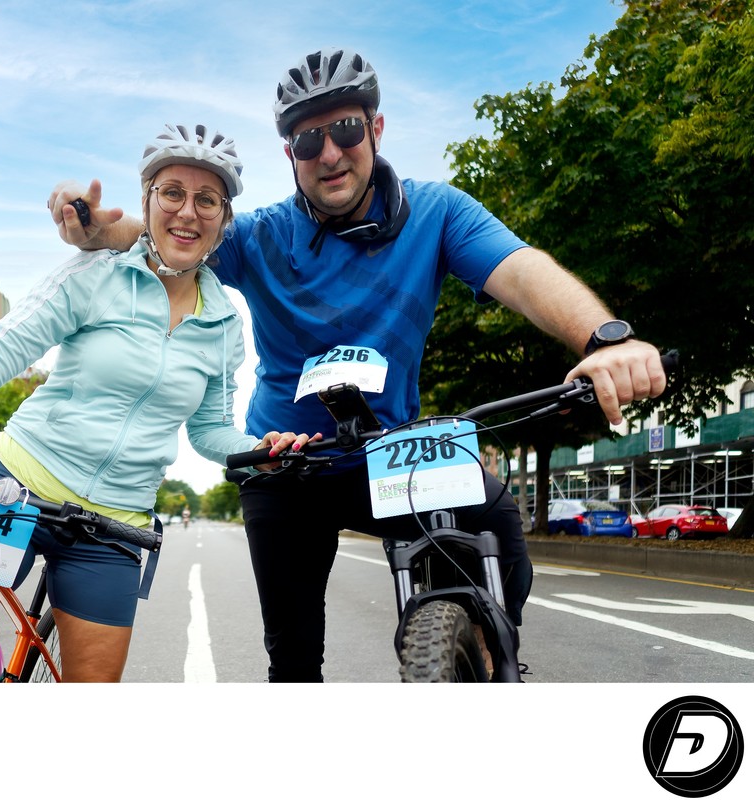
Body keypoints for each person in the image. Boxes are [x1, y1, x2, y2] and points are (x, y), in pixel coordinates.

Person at [46, 48, 668, 682]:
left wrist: (604, 338)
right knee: (292, 660)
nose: (330, 153)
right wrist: (92, 227)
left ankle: (481, 655)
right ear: (290, 154)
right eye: (308, 140)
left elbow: (523, 271)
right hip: (286, 458)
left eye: (345, 130)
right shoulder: (260, 235)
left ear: (375, 128)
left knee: (501, 529)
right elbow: (169, 231)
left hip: (393, 452)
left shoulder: (438, 212)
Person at [0, 124, 315, 683]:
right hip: (11, 486)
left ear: (224, 219)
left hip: (114, 526)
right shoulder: (95, 275)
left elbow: (210, 431)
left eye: (207, 200)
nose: (187, 212)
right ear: (147, 200)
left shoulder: (224, 326)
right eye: (172, 192)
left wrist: (256, 448)